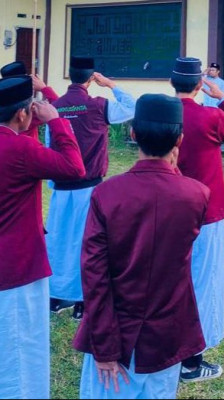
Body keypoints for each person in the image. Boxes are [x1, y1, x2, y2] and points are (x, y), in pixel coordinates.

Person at [73, 93, 210, 399]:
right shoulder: (197, 194)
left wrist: (104, 345)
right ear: (180, 139)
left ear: (133, 134)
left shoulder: (107, 194)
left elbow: (94, 274)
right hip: (167, 334)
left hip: (114, 330)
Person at [0, 75, 85, 399]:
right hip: (17, 268)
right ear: (23, 114)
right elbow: (73, 167)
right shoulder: (21, 150)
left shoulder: (19, 145)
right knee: (19, 354)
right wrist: (58, 122)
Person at [171, 56, 224, 381]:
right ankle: (191, 360)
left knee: (171, 280)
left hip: (166, 210)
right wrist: (223, 98)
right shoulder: (209, 116)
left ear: (171, 82)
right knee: (202, 283)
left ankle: (174, 350)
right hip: (206, 213)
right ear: (199, 84)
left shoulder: (162, 115)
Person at [46, 56, 136, 320]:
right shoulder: (99, 105)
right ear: (90, 79)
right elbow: (131, 107)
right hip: (89, 187)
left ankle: (56, 295)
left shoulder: (56, 106)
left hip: (61, 186)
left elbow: (52, 145)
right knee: (89, 243)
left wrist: (53, 183)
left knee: (59, 241)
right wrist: (110, 85)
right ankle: (83, 301)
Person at [1, 61, 59, 140]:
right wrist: (44, 89)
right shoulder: (29, 109)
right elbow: (59, 108)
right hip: (29, 150)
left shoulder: (3, 105)